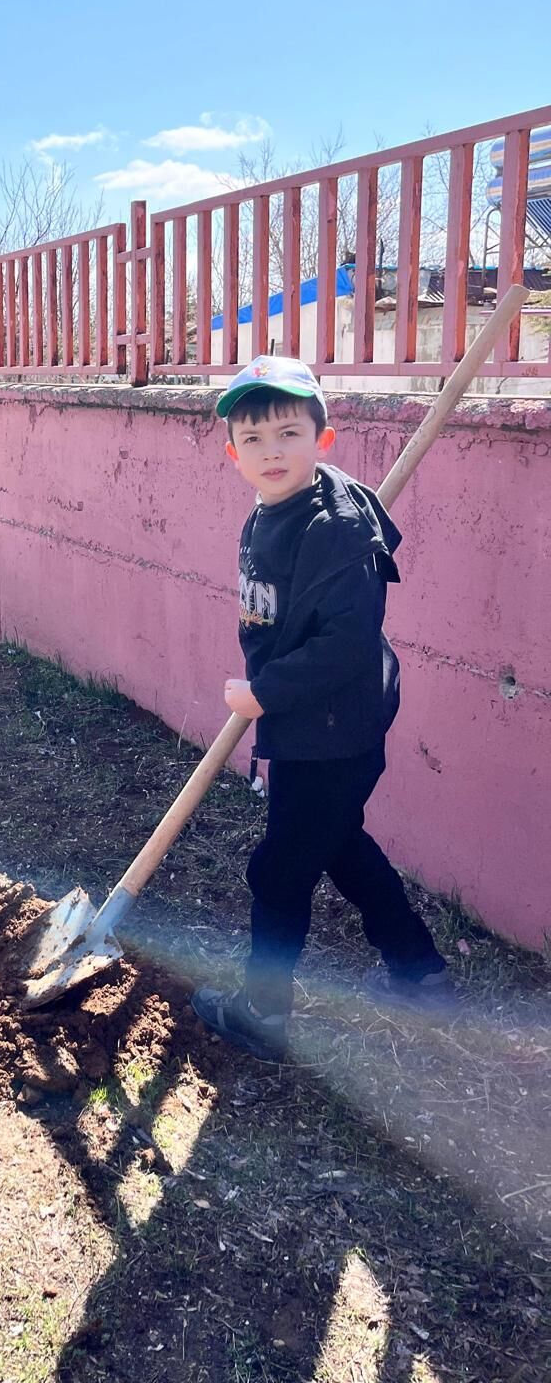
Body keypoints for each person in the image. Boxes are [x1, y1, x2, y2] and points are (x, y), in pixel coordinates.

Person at [189, 356, 452, 1061]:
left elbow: (344, 646)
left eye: (288, 434)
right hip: (313, 724)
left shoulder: (333, 527)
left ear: (322, 440)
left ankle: (262, 1013)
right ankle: (420, 971)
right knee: (339, 844)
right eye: (254, 439)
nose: (272, 451)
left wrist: (264, 693)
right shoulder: (275, 506)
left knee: (278, 871)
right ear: (233, 454)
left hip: (330, 732)